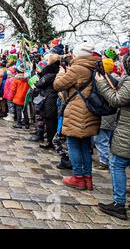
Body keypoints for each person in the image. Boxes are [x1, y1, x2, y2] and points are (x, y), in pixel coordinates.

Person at [54, 43, 100, 191]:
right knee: (85, 147)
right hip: (90, 111)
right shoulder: (94, 66)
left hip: (76, 112)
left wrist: (61, 73)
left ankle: (78, 177)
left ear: (78, 54)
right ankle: (88, 179)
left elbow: (58, 85)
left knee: (73, 144)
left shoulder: (78, 68)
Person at [97, 53, 130, 220]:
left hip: (127, 130)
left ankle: (119, 204)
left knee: (117, 163)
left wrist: (102, 83)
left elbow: (118, 99)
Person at [10, 64, 30, 129]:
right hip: (25, 97)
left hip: (17, 97)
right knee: (25, 111)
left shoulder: (16, 79)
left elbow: (13, 90)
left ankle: (19, 123)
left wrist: (11, 97)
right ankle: (27, 124)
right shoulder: (28, 79)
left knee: (18, 111)